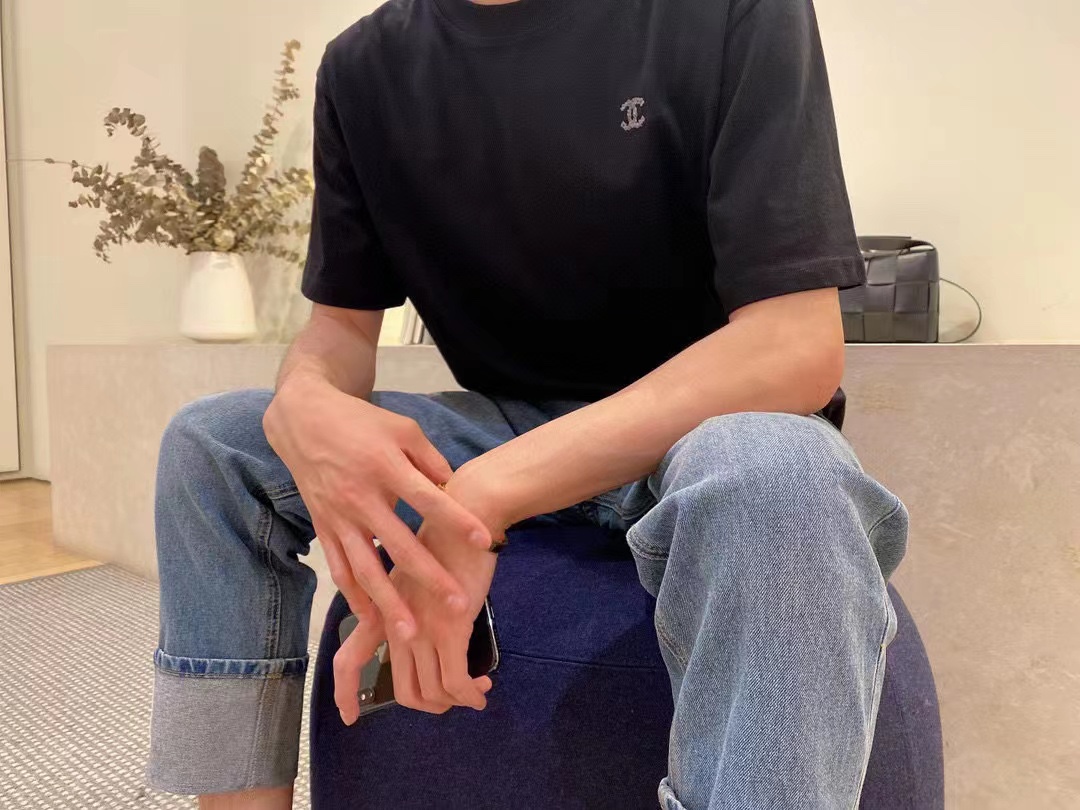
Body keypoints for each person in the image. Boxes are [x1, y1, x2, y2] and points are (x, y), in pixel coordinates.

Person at [146, 0, 909, 806]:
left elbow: (794, 346)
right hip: (501, 418)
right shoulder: (362, 67)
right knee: (212, 444)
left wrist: (480, 499)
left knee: (781, 476)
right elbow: (339, 327)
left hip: (708, 426)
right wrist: (302, 399)